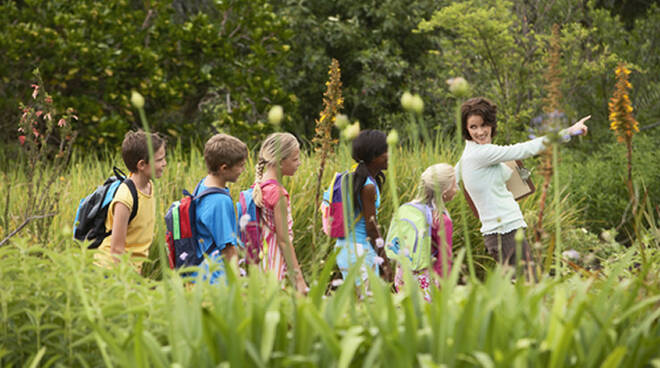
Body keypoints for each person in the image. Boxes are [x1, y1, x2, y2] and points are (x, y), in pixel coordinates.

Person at [456, 97, 589, 277]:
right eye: (473, 127)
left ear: (491, 124)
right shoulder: (480, 153)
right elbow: (525, 148)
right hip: (505, 234)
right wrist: (569, 131)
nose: (480, 132)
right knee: (530, 289)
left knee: (523, 291)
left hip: (505, 232)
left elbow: (452, 179)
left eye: (483, 125)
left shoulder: (471, 154)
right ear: (466, 129)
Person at [94, 130, 167, 272]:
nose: (164, 163)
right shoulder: (125, 198)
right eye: (159, 160)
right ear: (141, 165)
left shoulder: (149, 186)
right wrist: (130, 283)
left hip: (131, 269)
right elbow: (116, 250)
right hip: (110, 270)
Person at [252, 132, 308, 294]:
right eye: (295, 159)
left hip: (259, 263)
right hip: (275, 266)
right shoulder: (278, 194)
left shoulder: (258, 189)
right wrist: (299, 279)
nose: (299, 163)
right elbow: (284, 241)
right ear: (280, 161)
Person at [335, 129, 392, 286]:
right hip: (359, 250)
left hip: (343, 248)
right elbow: (371, 227)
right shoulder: (367, 187)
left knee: (358, 305)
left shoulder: (352, 176)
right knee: (369, 305)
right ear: (373, 156)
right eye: (386, 151)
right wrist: (385, 263)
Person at [392, 163, 457, 301]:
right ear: (444, 192)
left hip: (403, 276)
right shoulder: (442, 220)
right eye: (454, 185)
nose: (456, 189)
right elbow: (445, 260)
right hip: (427, 282)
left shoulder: (410, 211)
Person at [193, 133, 248, 284]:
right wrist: (238, 288)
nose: (243, 170)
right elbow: (228, 249)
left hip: (200, 273)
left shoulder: (203, 185)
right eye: (241, 165)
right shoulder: (220, 201)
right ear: (224, 168)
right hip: (216, 279)